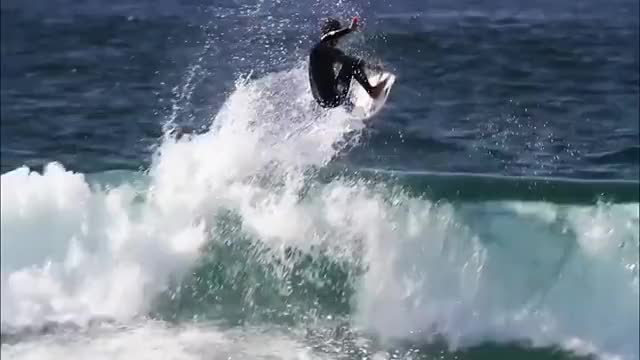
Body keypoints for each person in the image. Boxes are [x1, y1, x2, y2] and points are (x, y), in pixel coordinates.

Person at [308, 17, 387, 108]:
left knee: (335, 80)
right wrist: (371, 67)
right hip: (332, 100)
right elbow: (351, 62)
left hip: (320, 101)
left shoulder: (316, 50)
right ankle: (372, 91)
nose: (339, 40)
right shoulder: (326, 50)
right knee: (351, 65)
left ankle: (348, 105)